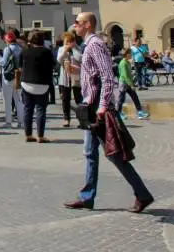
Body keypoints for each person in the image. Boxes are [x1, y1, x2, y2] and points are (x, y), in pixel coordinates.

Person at [65, 12, 154, 213]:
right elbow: (95, 73)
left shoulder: (95, 44)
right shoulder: (89, 45)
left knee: (114, 153)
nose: (75, 26)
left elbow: (107, 76)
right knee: (89, 153)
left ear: (87, 25)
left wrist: (103, 105)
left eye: (78, 23)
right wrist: (78, 71)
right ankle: (87, 196)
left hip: (97, 106)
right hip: (91, 105)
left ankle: (142, 194)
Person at [20, 30, 55, 143]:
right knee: (40, 109)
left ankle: (28, 134)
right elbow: (53, 65)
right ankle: (40, 136)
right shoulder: (47, 52)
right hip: (42, 83)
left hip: (27, 82)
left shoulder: (24, 51)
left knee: (28, 108)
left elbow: (20, 66)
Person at [57, 32, 83, 128]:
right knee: (65, 99)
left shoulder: (78, 49)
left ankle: (81, 119)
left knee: (78, 99)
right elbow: (59, 60)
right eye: (65, 41)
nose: (66, 43)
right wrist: (65, 50)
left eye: (69, 41)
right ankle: (66, 119)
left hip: (76, 77)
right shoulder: (61, 49)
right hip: (65, 78)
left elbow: (80, 58)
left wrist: (73, 48)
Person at [116, 49, 150, 120]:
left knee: (135, 97)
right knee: (121, 99)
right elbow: (125, 75)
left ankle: (140, 113)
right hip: (123, 83)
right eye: (130, 54)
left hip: (129, 83)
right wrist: (131, 85)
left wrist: (132, 83)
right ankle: (118, 114)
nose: (131, 55)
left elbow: (129, 74)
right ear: (126, 54)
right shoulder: (123, 63)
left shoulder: (127, 62)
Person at [0, 31, 24, 129]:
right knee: (19, 100)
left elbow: (3, 63)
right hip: (18, 76)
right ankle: (21, 122)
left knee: (8, 101)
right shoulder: (21, 48)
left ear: (7, 40)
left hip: (8, 77)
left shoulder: (7, 49)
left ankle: (8, 122)